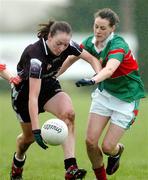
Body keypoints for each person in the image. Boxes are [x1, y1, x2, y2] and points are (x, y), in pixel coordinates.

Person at [10, 19, 102, 180]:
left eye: (65, 45)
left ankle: (70, 168)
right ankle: (17, 164)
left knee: (69, 114)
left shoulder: (68, 44)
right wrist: (37, 130)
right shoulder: (36, 57)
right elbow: (33, 96)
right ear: (49, 37)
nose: (62, 49)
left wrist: (97, 77)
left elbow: (92, 59)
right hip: (24, 95)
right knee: (28, 139)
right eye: (58, 44)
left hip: (48, 86)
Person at [74, 8, 145, 180]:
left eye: (103, 28)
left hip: (126, 99)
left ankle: (117, 151)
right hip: (104, 94)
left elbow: (110, 68)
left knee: (107, 147)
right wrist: (53, 75)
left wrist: (92, 80)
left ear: (112, 28)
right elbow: (70, 57)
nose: (98, 31)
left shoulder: (118, 45)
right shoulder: (90, 42)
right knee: (90, 142)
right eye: (96, 26)